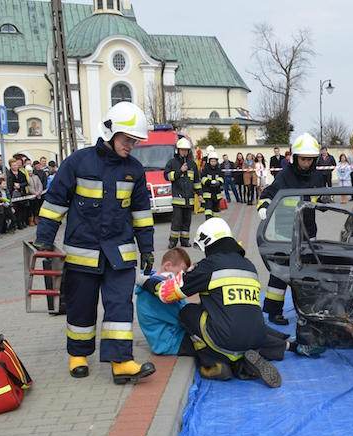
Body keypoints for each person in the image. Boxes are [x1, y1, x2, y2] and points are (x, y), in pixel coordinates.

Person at [33, 101, 156, 385]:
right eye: (127, 140)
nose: (131, 146)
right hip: (83, 253)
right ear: (110, 133)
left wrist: (147, 248)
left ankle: (121, 362)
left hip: (119, 254)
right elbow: (55, 203)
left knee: (120, 307)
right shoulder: (78, 162)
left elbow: (141, 214)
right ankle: (78, 355)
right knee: (81, 307)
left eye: (134, 141)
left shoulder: (134, 170)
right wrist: (44, 238)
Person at [141, 218, 282, 386]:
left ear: (208, 242)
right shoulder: (249, 265)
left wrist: (144, 281)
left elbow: (166, 293)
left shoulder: (208, 266)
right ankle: (242, 363)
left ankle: (213, 363)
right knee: (222, 316)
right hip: (257, 335)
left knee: (188, 313)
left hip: (228, 337)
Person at [257, 132, 327, 326]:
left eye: (310, 160)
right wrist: (263, 206)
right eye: (304, 159)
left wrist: (323, 202)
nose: (307, 163)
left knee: (307, 272)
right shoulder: (285, 175)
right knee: (279, 271)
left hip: (308, 231)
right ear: (295, 158)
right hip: (284, 231)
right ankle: (274, 311)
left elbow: (318, 197)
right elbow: (268, 193)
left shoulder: (317, 176)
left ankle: (308, 310)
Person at [135, 248, 194, 356]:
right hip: (170, 343)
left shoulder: (156, 283)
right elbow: (182, 317)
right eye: (179, 273)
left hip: (171, 336)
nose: (180, 278)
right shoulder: (157, 294)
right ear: (167, 266)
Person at [165, 137, 199, 247]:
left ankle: (185, 241)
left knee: (187, 221)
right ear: (178, 150)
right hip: (178, 200)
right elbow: (167, 176)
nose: (184, 152)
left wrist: (200, 194)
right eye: (182, 149)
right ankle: (173, 241)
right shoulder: (172, 163)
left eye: (186, 150)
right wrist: (180, 171)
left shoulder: (192, 164)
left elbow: (196, 181)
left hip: (189, 200)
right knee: (177, 221)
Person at [200, 150, 224, 219]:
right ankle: (208, 221)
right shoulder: (206, 169)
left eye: (214, 161)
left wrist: (218, 182)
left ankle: (216, 223)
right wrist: (209, 182)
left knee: (216, 211)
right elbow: (203, 178)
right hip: (208, 194)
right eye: (212, 161)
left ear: (217, 161)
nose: (213, 163)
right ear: (209, 161)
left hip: (217, 194)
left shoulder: (219, 169)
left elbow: (222, 178)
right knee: (208, 209)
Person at [7, 158, 29, 229]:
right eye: (13, 165)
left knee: (23, 209)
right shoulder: (9, 174)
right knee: (16, 210)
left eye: (16, 165)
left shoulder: (21, 173)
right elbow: (8, 184)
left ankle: (22, 222)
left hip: (22, 193)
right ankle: (17, 224)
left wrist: (20, 185)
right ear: (10, 166)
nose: (15, 166)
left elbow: (26, 182)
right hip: (13, 194)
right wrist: (14, 185)